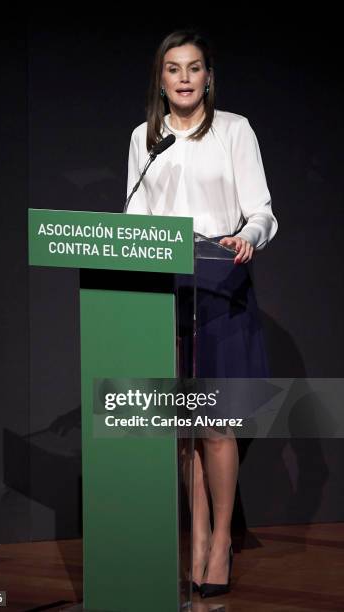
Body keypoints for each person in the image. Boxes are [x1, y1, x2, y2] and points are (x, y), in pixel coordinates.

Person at [125, 29, 277, 599]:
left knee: (214, 425)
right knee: (180, 430)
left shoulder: (235, 130)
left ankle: (219, 543)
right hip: (164, 294)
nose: (184, 77)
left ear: (207, 76)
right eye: (173, 68)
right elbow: (136, 211)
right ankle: (198, 531)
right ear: (160, 80)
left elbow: (261, 211)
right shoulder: (146, 137)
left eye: (193, 68)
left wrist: (249, 237)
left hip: (220, 286)